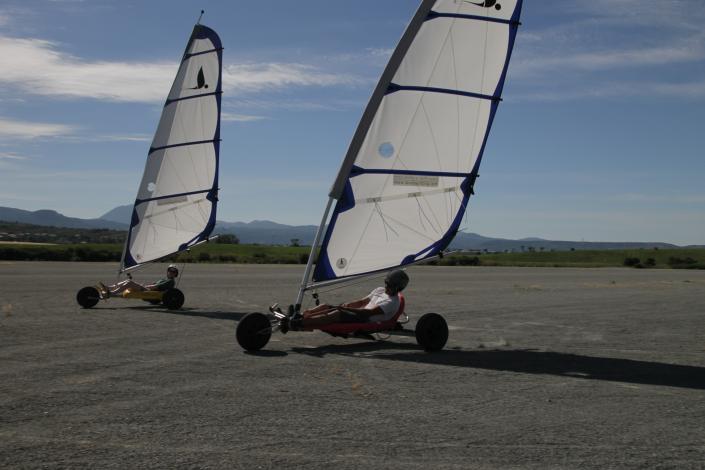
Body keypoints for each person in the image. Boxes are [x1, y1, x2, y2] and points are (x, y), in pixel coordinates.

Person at [274, 270, 409, 332]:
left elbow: (366, 314)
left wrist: (345, 309)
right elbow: (362, 302)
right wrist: (348, 305)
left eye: (390, 285)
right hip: (357, 313)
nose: (387, 287)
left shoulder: (393, 302)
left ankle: (299, 323)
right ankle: (300, 316)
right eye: (387, 283)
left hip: (364, 319)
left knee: (336, 314)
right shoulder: (380, 290)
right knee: (326, 306)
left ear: (398, 287)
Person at [97, 265, 179, 298]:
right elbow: (155, 284)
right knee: (128, 280)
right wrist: (144, 285)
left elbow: (155, 286)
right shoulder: (165, 279)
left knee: (129, 283)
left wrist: (144, 286)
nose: (170, 272)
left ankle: (111, 293)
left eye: (173, 272)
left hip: (150, 291)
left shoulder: (170, 281)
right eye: (169, 271)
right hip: (149, 289)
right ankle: (109, 287)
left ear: (175, 274)